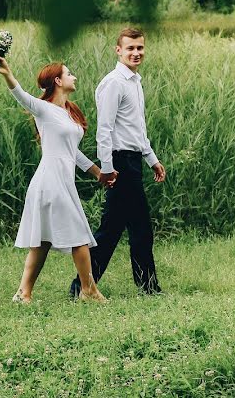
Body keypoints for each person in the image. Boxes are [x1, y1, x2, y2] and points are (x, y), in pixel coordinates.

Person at [0, 57, 110, 304]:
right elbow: (21, 95)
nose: (74, 77)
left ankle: (23, 293)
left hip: (63, 181)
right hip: (50, 181)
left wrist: (97, 173)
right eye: (69, 74)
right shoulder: (44, 109)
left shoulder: (69, 112)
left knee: (42, 242)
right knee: (79, 234)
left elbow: (73, 152)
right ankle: (88, 290)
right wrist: (7, 74)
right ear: (58, 81)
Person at [70, 28, 166, 298]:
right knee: (137, 229)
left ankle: (81, 287)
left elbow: (138, 130)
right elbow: (105, 129)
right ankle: (146, 288)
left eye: (140, 48)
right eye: (131, 48)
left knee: (111, 231)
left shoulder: (134, 81)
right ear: (118, 50)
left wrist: (152, 160)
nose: (136, 53)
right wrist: (108, 168)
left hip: (133, 161)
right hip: (120, 163)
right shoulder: (114, 82)